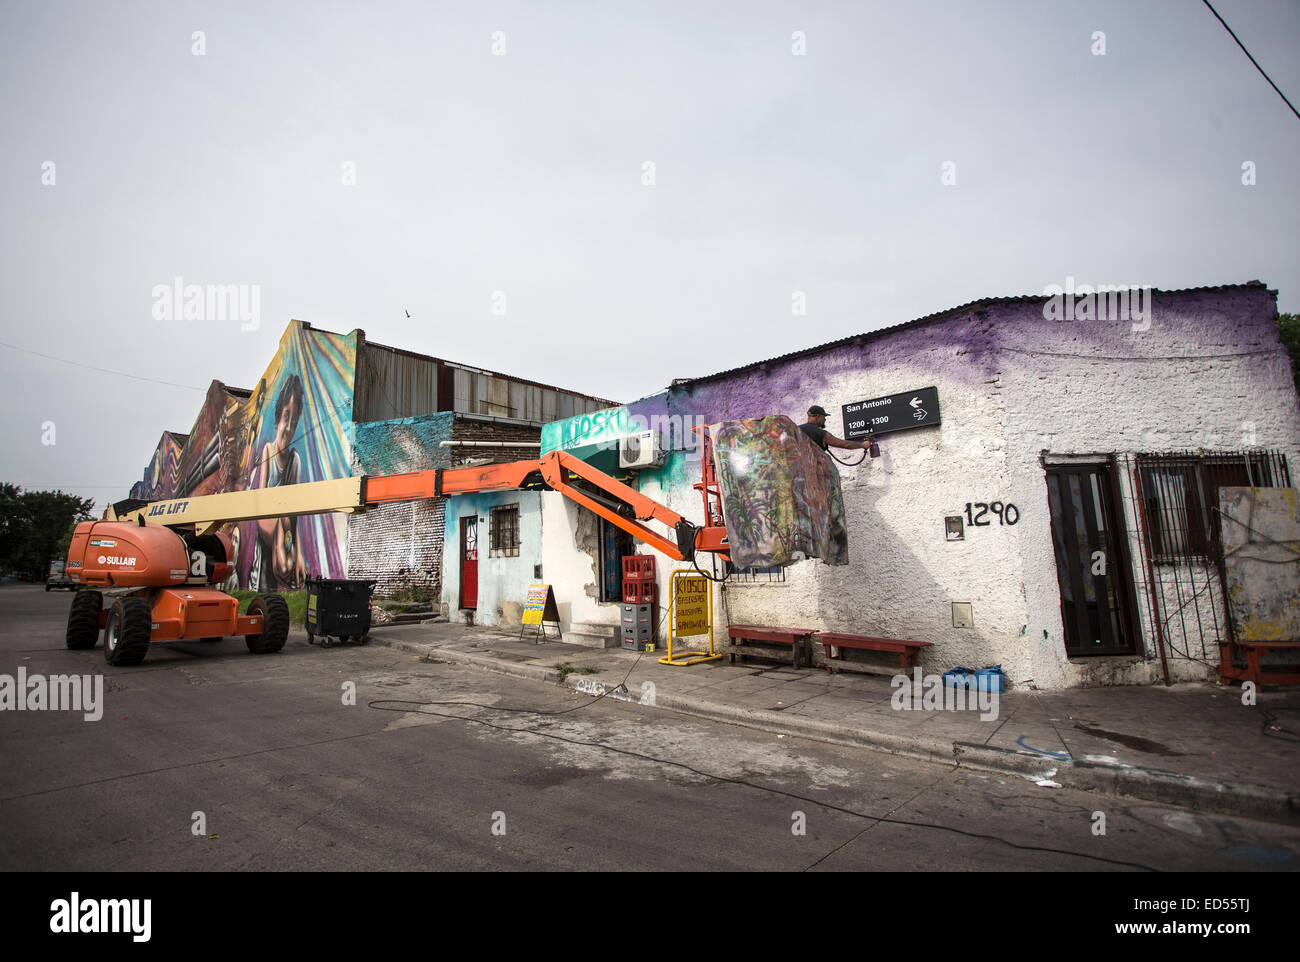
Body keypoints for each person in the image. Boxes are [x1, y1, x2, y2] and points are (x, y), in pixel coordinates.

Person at [249, 374, 309, 591]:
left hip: (283, 529)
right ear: (277, 421)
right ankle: (281, 555)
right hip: (268, 528)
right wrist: (278, 533)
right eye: (286, 418)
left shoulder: (295, 461)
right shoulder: (267, 451)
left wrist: (300, 553)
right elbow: (261, 506)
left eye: (294, 422)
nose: (288, 428)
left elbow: (295, 515)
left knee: (291, 562)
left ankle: (286, 563)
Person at [799, 405, 869, 452]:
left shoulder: (798, 429)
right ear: (818, 416)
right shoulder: (819, 433)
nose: (825, 420)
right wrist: (862, 445)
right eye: (824, 417)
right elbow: (844, 444)